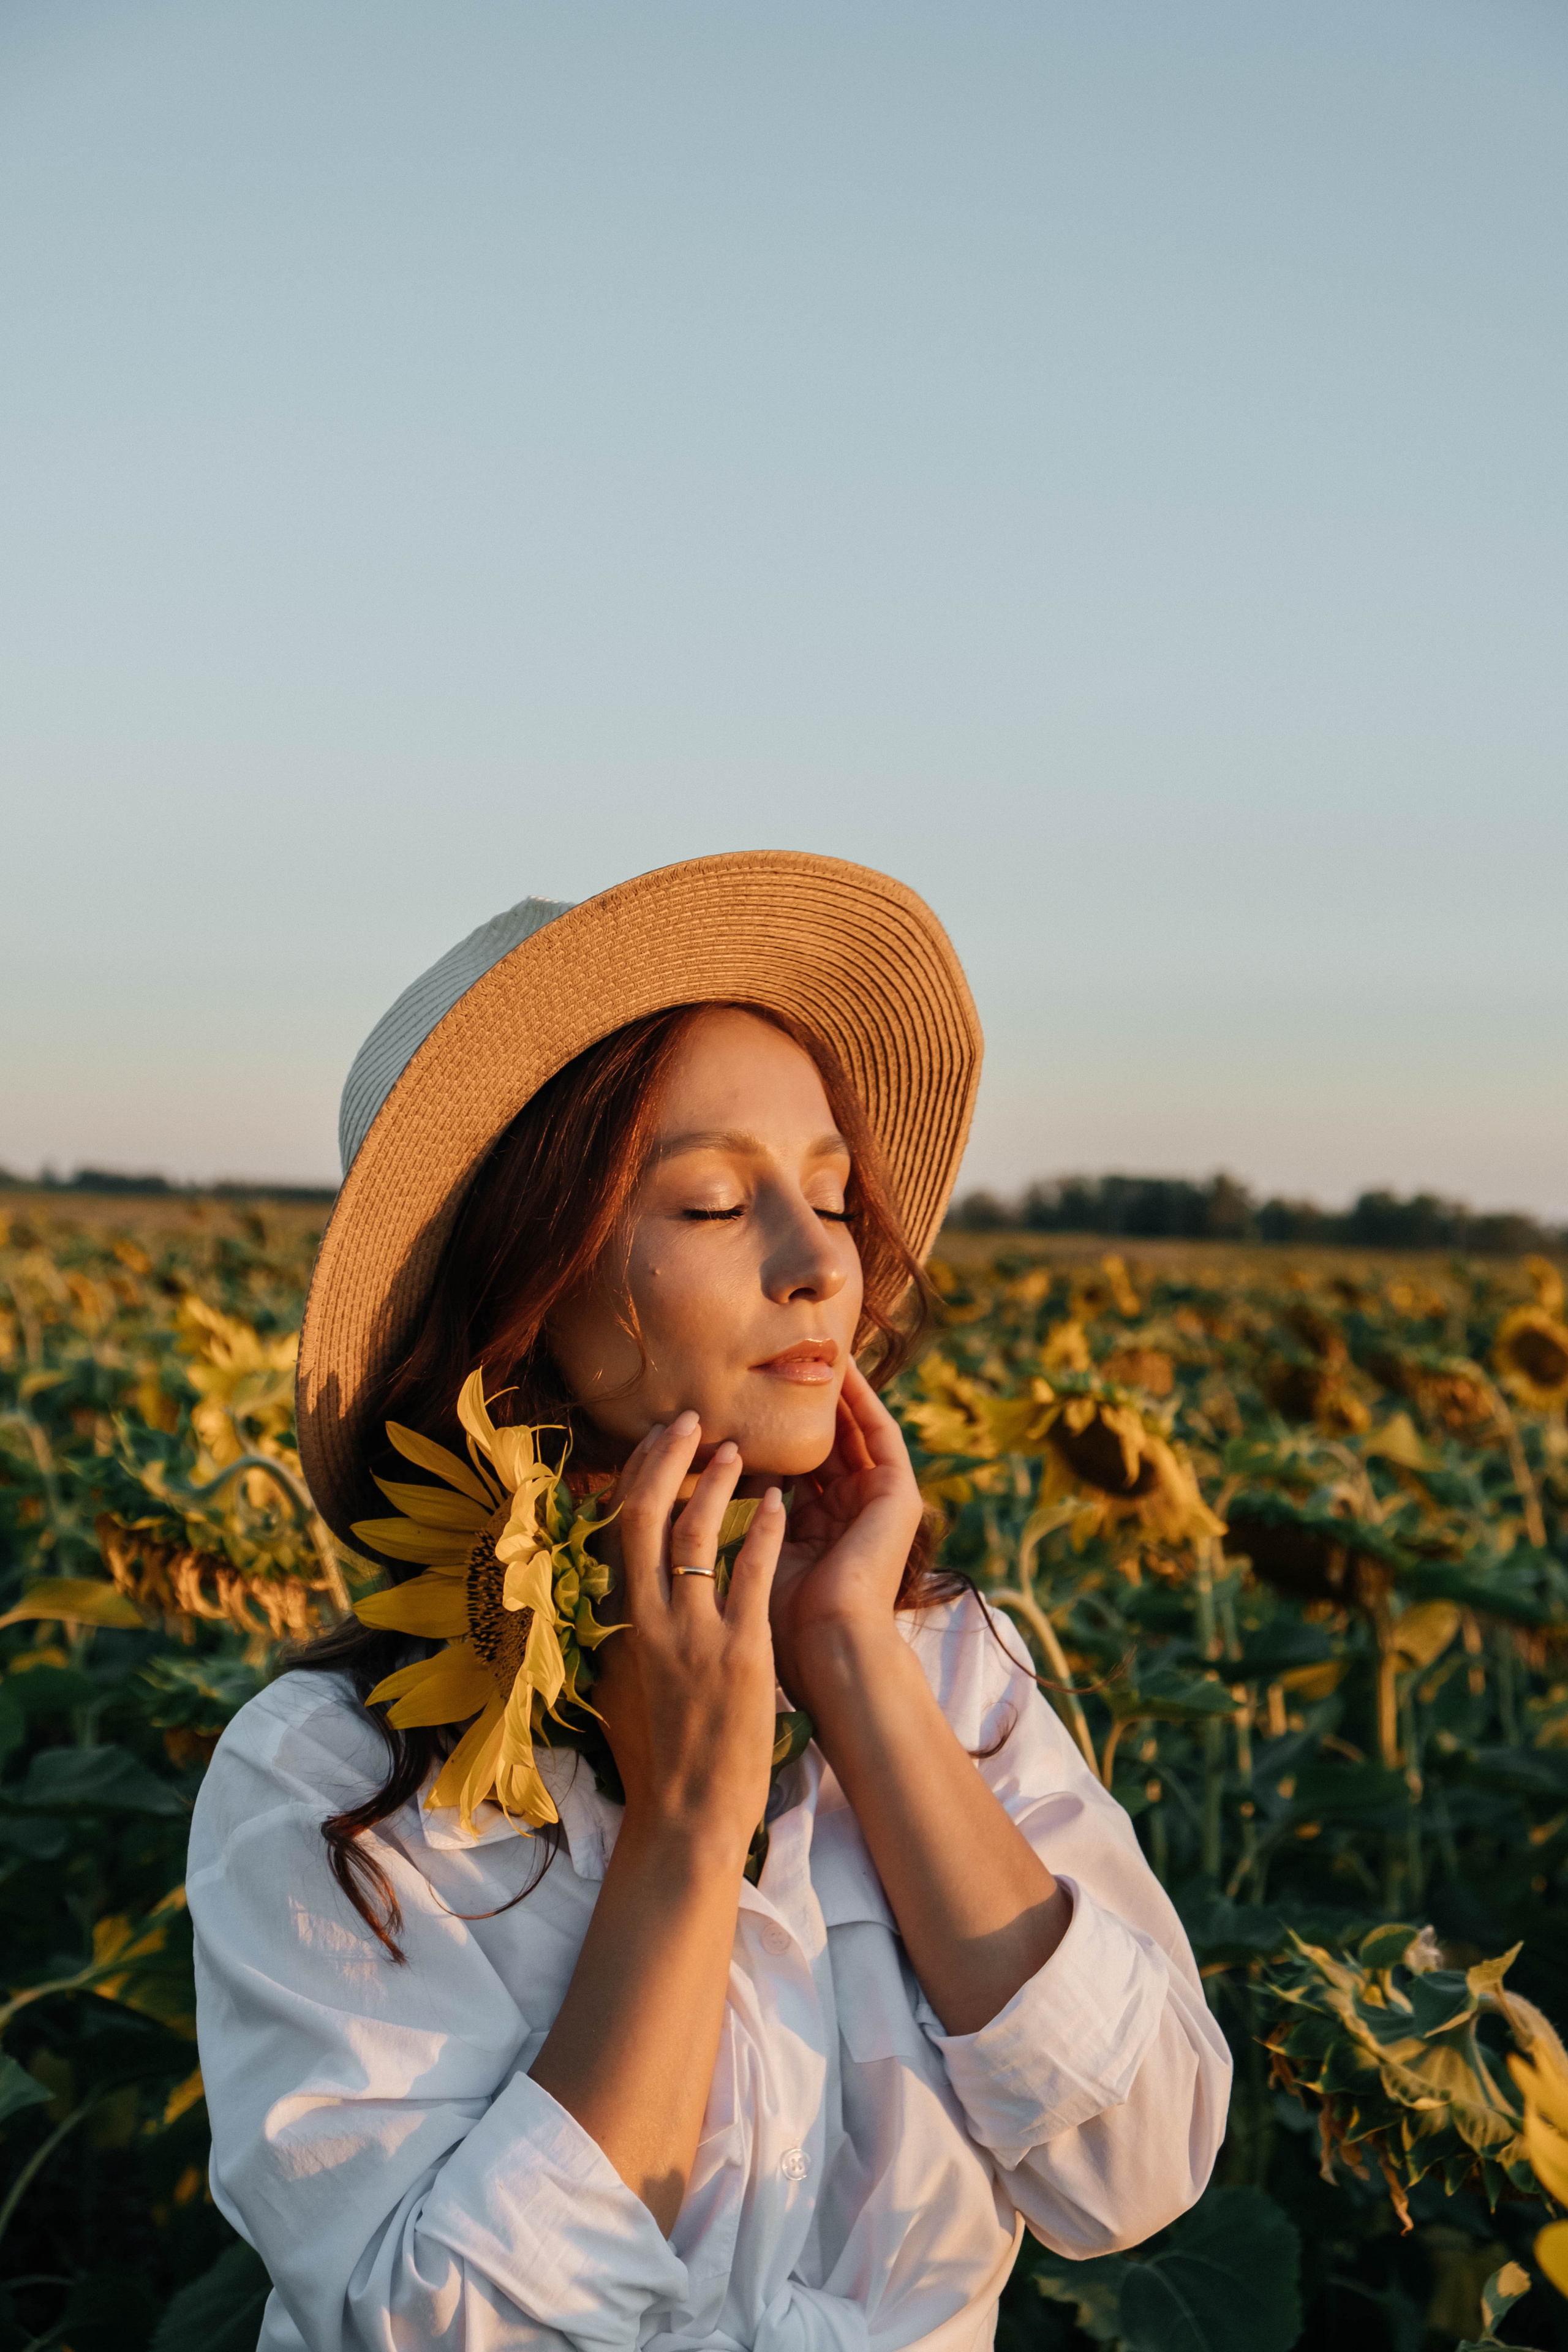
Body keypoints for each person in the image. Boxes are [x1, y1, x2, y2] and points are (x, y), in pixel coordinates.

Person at [188, 851, 1230, 2352]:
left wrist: (854, 1674)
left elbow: (1134, 2168)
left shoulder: (945, 1672)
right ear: (523, 1286)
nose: (824, 1266)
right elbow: (437, 2333)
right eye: (715, 1202)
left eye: (827, 1193)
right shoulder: (339, 1781)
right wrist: (682, 1825)